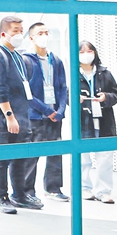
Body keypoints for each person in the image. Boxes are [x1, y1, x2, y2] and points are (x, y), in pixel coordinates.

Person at [0, 16, 40, 214]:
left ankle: (20, 194)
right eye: (15, 30)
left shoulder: (18, 56)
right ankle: (2, 197)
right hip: (4, 117)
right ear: (3, 34)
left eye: (20, 30)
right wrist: (9, 116)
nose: (19, 34)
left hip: (21, 114)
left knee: (20, 157)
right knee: (1, 158)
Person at [22, 23, 70, 202]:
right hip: (35, 115)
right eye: (40, 33)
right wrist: (46, 110)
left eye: (46, 32)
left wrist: (61, 110)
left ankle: (53, 188)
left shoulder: (55, 60)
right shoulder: (26, 60)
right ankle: (27, 191)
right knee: (31, 154)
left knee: (55, 153)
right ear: (31, 38)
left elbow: (63, 87)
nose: (44, 36)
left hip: (55, 117)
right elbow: (26, 93)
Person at [79, 41, 117, 204]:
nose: (86, 54)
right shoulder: (73, 74)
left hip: (104, 120)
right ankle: (84, 189)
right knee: (83, 158)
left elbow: (116, 94)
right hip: (83, 120)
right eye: (82, 52)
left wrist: (105, 97)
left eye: (90, 51)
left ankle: (103, 191)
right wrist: (75, 98)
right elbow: (65, 95)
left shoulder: (105, 73)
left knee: (105, 158)